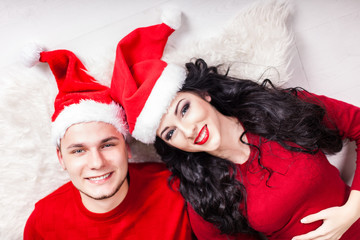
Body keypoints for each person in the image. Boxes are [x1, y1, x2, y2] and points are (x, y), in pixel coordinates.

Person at [109, 20, 360, 240]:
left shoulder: (277, 110)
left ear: (204, 94)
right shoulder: (205, 193)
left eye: (184, 109)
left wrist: (352, 210)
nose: (187, 131)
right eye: (170, 133)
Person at [23, 49, 194, 239]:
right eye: (79, 150)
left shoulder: (177, 188)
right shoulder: (43, 223)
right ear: (61, 158)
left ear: (127, 148)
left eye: (107, 145)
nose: (97, 163)